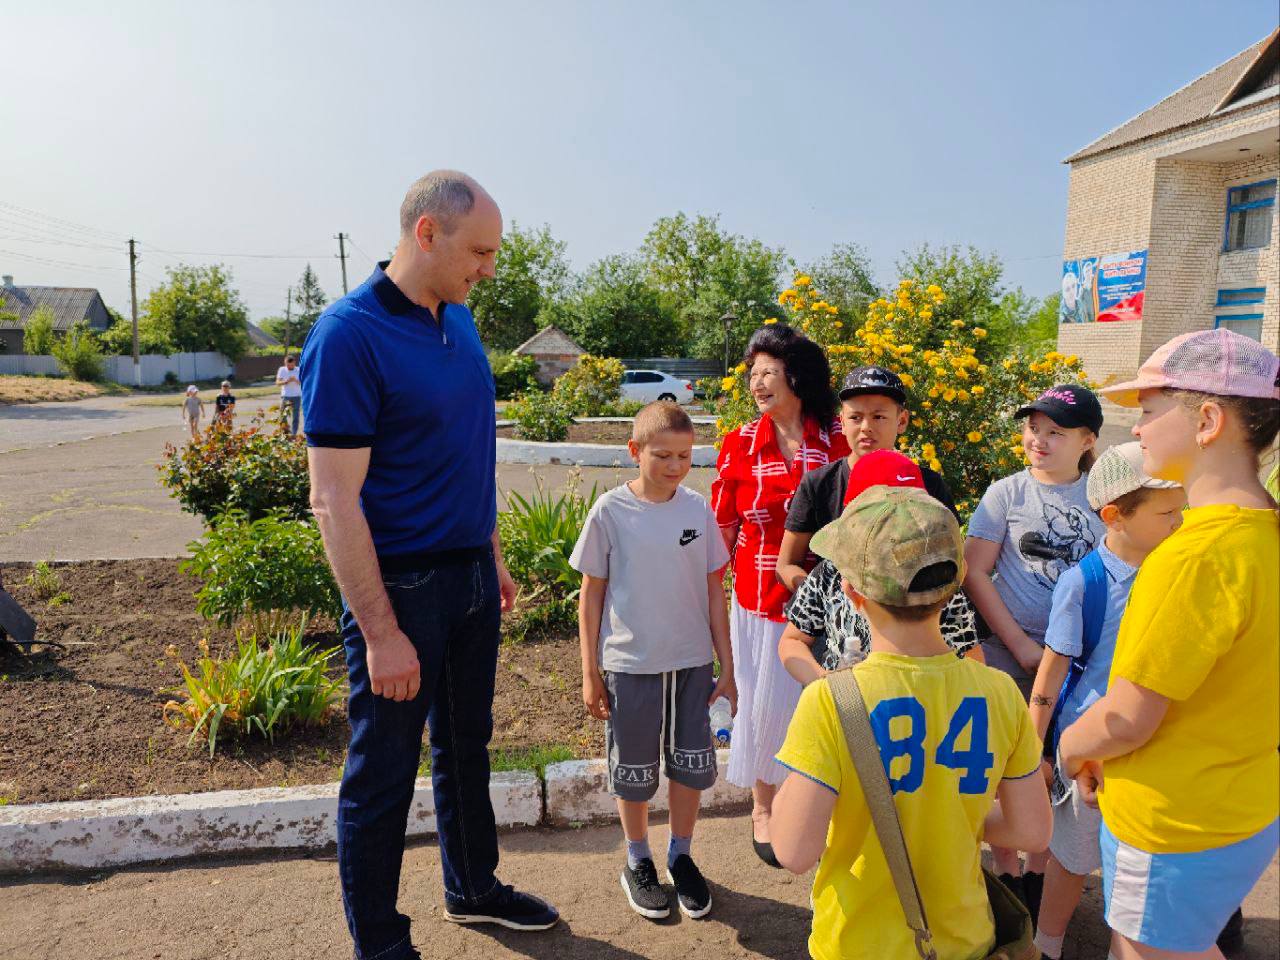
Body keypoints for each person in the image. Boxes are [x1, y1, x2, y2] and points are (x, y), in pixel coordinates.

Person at [301, 170, 559, 960]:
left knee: (466, 746)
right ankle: (380, 944)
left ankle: (473, 888)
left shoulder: (461, 319)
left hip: (470, 576)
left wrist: (492, 553)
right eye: (479, 250)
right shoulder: (348, 335)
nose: (489, 267)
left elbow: (465, 451)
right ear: (426, 235)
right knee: (382, 774)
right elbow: (333, 501)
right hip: (399, 586)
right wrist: (380, 631)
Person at [1060, 328, 1279, 960]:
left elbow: (1128, 718)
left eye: (1151, 413)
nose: (1140, 432)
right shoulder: (1262, 530)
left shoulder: (1192, 554)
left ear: (1207, 419)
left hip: (1172, 823)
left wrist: (1072, 747)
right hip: (1240, 806)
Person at [770, 485, 1051, 960]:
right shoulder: (999, 690)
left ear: (851, 592)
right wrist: (948, 815)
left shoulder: (829, 701)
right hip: (965, 940)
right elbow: (1032, 833)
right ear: (957, 578)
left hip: (856, 944)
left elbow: (793, 851)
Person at [571, 401, 736, 921]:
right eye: (662, 455)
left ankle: (681, 856)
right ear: (634, 451)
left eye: (685, 456)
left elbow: (714, 592)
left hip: (691, 665)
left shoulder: (696, 510)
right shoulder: (610, 512)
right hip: (629, 665)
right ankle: (637, 858)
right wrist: (589, 670)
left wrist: (725, 666)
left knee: (689, 767)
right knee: (635, 771)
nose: (674, 466)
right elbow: (590, 596)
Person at [1026, 442, 1184, 960]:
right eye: (1167, 513)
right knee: (1071, 858)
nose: (1179, 521)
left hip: (1155, 745)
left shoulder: (1176, 572)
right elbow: (1051, 671)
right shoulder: (1084, 582)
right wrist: (1033, 751)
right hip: (1090, 748)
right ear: (1114, 516)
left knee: (1136, 870)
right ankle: (1046, 944)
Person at [709, 323, 849, 867]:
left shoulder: (837, 438)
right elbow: (723, 528)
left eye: (767, 371)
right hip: (760, 599)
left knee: (822, 703)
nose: (757, 383)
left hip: (835, 604)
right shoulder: (741, 443)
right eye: (752, 374)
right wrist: (705, 601)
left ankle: (816, 800)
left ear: (798, 375)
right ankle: (763, 807)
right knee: (765, 703)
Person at [962, 382, 1105, 910]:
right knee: (1002, 766)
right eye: (1032, 428)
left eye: (1055, 432)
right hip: (1008, 654)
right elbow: (976, 572)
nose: (1039, 441)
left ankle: (1043, 869)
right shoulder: (1007, 493)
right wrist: (1019, 643)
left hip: (1078, 664)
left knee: (1055, 767)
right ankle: (1006, 874)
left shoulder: (1100, 498)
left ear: (1088, 439)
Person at [778, 448, 981, 685]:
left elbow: (971, 658)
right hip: (847, 703)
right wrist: (823, 681)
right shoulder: (830, 571)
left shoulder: (936, 574)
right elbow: (793, 640)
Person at [776, 365, 957, 593]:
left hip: (910, 618)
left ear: (901, 421)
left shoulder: (928, 484)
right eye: (855, 417)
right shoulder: (818, 484)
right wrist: (823, 599)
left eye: (878, 417)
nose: (866, 427)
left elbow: (954, 559)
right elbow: (786, 565)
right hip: (837, 621)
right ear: (841, 422)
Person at [277, 354, 302, 435]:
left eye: (291, 365)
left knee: (295, 416)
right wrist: (286, 381)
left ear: (294, 363)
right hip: (285, 395)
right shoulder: (282, 370)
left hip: (296, 396)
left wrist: (295, 380)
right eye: (287, 365)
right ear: (285, 363)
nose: (289, 367)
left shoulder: (299, 370)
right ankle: (285, 432)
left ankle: (294, 433)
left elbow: (303, 383)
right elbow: (278, 382)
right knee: (283, 415)